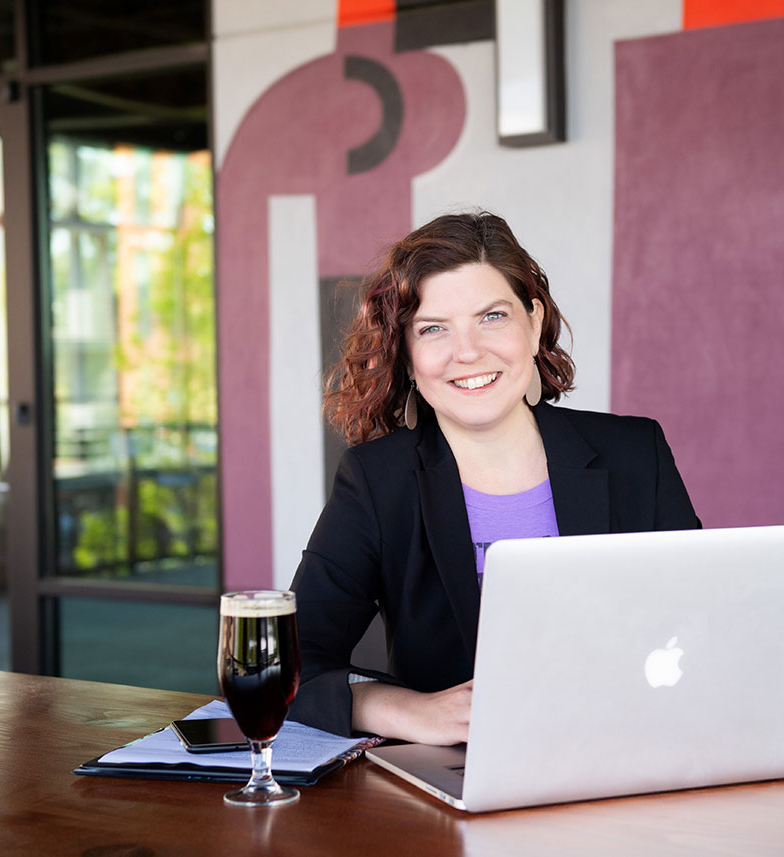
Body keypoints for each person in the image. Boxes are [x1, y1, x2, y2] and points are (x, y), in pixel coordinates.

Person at [289, 212, 700, 742]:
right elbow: (285, 664)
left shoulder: (635, 452)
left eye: (492, 317)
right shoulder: (377, 481)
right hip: (465, 778)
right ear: (407, 355)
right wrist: (404, 711)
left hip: (633, 750)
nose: (468, 352)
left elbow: (697, 624)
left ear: (533, 322)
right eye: (433, 328)